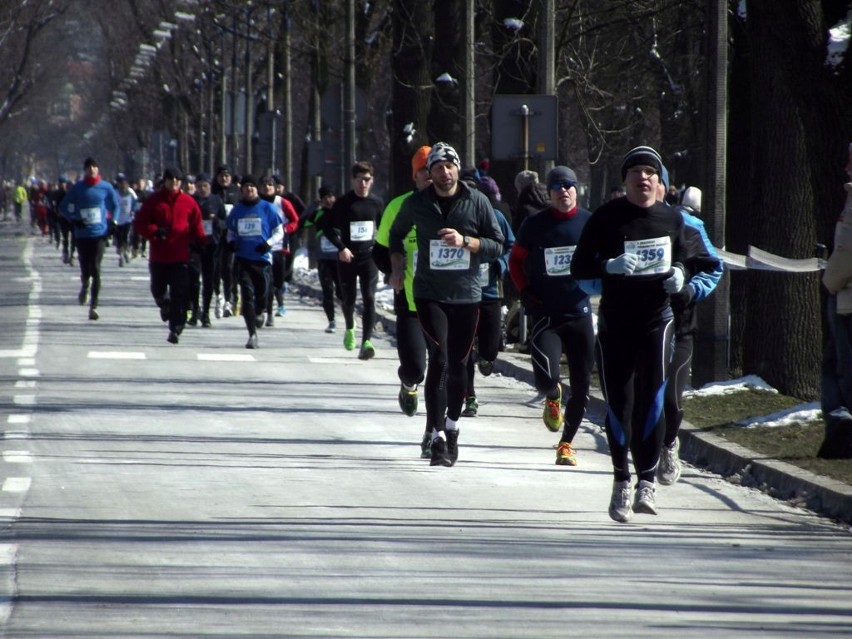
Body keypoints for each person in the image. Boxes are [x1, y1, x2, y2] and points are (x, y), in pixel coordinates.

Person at [570, 145, 720, 522]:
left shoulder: (673, 219)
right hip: (616, 322)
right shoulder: (606, 218)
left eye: (650, 172)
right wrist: (609, 265)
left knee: (653, 401)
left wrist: (682, 275)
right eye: (635, 172)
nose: (643, 178)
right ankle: (621, 480)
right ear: (625, 180)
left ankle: (647, 482)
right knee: (620, 404)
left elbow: (696, 259)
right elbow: (578, 265)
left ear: (660, 181)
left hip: (658, 321)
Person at [389, 142, 505, 467]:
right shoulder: (417, 203)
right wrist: (397, 266)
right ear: (429, 173)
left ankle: (452, 427)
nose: (444, 172)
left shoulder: (477, 201)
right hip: (429, 294)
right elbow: (396, 236)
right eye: (437, 167)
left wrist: (466, 241)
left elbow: (498, 245)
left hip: (467, 295)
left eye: (449, 166)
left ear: (456, 169)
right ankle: (437, 436)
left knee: (459, 365)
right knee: (438, 359)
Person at [508, 165, 597, 466]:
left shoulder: (589, 223)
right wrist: (525, 290)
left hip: (580, 314)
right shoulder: (535, 225)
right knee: (548, 379)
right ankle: (552, 395)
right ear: (549, 193)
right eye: (557, 187)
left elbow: (604, 257)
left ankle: (566, 444)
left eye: (569, 186)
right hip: (546, 314)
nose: (563, 192)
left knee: (583, 386)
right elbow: (515, 262)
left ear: (577, 190)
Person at [657, 177, 723, 484]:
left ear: (665, 188)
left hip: (680, 327)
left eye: (655, 180)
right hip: (641, 330)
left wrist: (691, 290)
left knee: (672, 400)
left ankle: (669, 443)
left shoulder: (688, 225)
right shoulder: (625, 223)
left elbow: (714, 265)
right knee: (641, 401)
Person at [374, 146, 432, 446]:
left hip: (446, 303)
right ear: (415, 175)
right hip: (410, 302)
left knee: (444, 373)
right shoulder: (399, 206)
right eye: (424, 170)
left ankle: (434, 434)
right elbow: (379, 250)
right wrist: (392, 270)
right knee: (416, 369)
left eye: (434, 169)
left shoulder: (453, 206)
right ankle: (408, 382)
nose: (431, 176)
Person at [319, 161, 384, 359]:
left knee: (370, 298)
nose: (363, 183)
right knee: (348, 299)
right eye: (359, 179)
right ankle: (349, 326)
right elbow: (327, 228)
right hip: (348, 257)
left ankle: (366, 342)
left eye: (367, 180)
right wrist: (342, 248)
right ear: (353, 180)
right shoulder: (344, 203)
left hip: (369, 256)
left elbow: (384, 229)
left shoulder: (376, 203)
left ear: (371, 181)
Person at [134, 167, 206, 344]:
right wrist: (155, 231)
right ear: (164, 181)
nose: (173, 182)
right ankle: (163, 304)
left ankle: (176, 328)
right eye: (170, 179)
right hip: (159, 255)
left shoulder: (188, 202)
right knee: (157, 289)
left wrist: (202, 244)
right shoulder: (154, 201)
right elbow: (140, 223)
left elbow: (197, 226)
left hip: (181, 256)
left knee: (179, 294)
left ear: (180, 182)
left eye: (177, 179)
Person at [462, 203, 514, 418]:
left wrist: (500, 265)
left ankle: (486, 357)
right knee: (462, 353)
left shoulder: (496, 217)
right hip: (461, 295)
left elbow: (511, 245)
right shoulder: (454, 220)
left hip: (491, 293)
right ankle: (470, 398)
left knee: (490, 349)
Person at [818, 142, 852, 459]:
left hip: (846, 299)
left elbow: (845, 252)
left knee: (841, 369)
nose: (846, 167)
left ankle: (843, 432)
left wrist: (830, 282)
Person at [225, 174, 284, 349]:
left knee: (263, 294)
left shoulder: (267, 208)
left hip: (263, 260)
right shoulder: (237, 210)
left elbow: (279, 232)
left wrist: (268, 244)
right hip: (244, 260)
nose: (249, 189)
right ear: (241, 189)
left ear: (256, 189)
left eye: (252, 186)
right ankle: (252, 335)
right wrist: (232, 242)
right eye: (246, 186)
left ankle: (260, 311)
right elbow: (230, 231)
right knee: (247, 296)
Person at [59, 157, 119, 320]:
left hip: (99, 234)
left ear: (98, 169)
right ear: (84, 170)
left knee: (97, 269)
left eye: (94, 166)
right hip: (82, 235)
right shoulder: (78, 188)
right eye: (88, 167)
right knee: (86, 270)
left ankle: (94, 305)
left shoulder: (106, 187)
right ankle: (85, 285)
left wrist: (113, 221)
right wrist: (73, 218)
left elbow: (116, 206)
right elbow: (63, 207)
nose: (92, 169)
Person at [259, 175, 299, 324]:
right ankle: (267, 311)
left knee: (278, 282)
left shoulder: (283, 202)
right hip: (262, 247)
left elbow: (295, 220)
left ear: (275, 188)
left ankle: (278, 303)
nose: (267, 187)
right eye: (264, 184)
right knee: (266, 280)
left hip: (279, 246)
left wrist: (285, 229)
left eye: (270, 184)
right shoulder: (257, 203)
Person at [190, 172, 227, 328]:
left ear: (210, 187)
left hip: (212, 245)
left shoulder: (216, 200)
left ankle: (205, 313)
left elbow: (226, 222)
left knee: (209, 280)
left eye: (205, 186)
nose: (202, 189)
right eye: (199, 186)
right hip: (194, 245)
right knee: (193, 280)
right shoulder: (190, 201)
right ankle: (194, 311)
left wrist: (216, 220)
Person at [304, 185, 341, 333]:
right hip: (324, 259)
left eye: (331, 196)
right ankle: (331, 320)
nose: (328, 200)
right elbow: (303, 222)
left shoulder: (340, 213)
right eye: (325, 197)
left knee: (341, 290)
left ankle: (348, 317)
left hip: (340, 258)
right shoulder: (318, 213)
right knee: (327, 290)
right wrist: (313, 206)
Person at [213, 164, 242, 318]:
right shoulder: (213, 192)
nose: (224, 178)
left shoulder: (236, 193)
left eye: (227, 175)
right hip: (215, 237)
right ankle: (218, 296)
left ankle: (231, 299)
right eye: (221, 175)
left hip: (232, 237)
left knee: (229, 268)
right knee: (215, 269)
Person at [114, 173, 138, 267]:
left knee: (126, 236)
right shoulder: (115, 193)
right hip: (117, 219)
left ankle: (126, 251)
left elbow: (135, 203)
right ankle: (121, 255)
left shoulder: (131, 192)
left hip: (128, 219)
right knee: (119, 238)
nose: (122, 184)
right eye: (120, 183)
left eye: (123, 182)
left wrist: (133, 210)